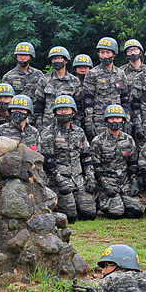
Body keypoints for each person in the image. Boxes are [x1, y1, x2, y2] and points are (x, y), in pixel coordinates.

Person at [39, 95, 97, 223]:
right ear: (55, 112)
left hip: (78, 179)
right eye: (60, 109)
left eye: (66, 109)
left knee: (90, 214)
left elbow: (86, 157)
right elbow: (48, 162)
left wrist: (91, 178)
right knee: (70, 216)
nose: (63, 112)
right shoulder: (48, 133)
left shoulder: (79, 132)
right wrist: (60, 181)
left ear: (73, 112)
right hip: (60, 180)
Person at [89, 104, 142, 220]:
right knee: (117, 214)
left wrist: (134, 182)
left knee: (136, 212)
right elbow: (95, 168)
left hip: (124, 183)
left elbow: (132, 164)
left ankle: (122, 200)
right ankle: (101, 201)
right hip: (107, 184)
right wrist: (105, 186)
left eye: (118, 118)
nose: (115, 121)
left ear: (123, 120)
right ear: (106, 120)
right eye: (111, 118)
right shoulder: (98, 141)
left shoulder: (129, 140)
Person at [83, 37, 129, 140]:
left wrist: (127, 119)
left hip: (117, 119)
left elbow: (125, 98)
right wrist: (89, 122)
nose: (104, 56)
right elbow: (88, 100)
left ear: (114, 54)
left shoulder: (120, 74)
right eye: (102, 52)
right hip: (100, 120)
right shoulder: (92, 74)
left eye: (108, 52)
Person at [35, 46, 82, 130]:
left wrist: (77, 124)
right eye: (54, 59)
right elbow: (39, 104)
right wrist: (39, 124)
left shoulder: (74, 81)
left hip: (69, 125)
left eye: (59, 58)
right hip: (48, 125)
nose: (56, 61)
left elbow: (78, 105)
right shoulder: (44, 80)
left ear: (66, 60)